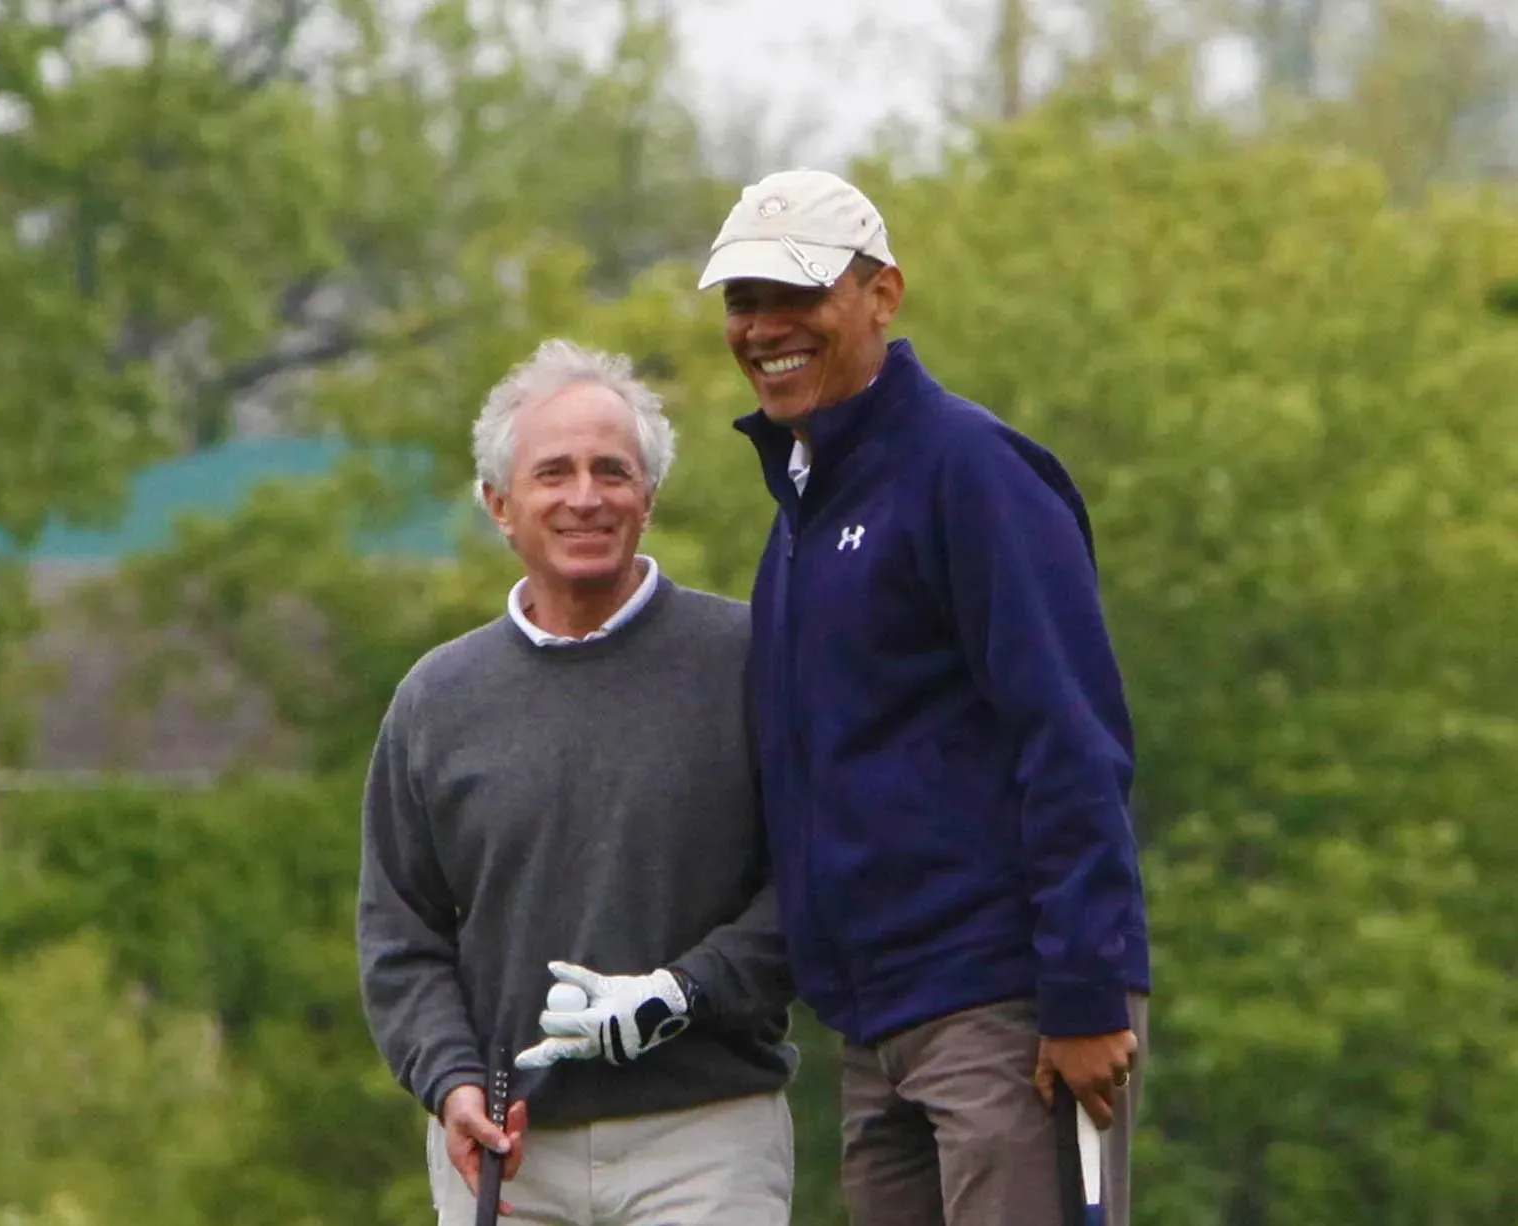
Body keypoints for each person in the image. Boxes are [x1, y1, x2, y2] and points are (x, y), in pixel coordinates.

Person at [697, 167, 1153, 1226]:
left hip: (1009, 1003)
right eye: (742, 301)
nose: (766, 327)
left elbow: (1071, 738)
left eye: (797, 294)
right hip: (876, 1022)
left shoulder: (971, 471)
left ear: (882, 295)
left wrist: (1084, 991)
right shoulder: (803, 510)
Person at [356, 338, 798, 1225]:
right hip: (510, 1152)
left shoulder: (756, 661)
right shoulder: (435, 701)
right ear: (499, 504)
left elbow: (819, 882)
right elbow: (401, 938)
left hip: (707, 1137)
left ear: (650, 497)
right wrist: (448, 1083)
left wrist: (686, 991)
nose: (585, 497)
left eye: (612, 471)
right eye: (552, 473)